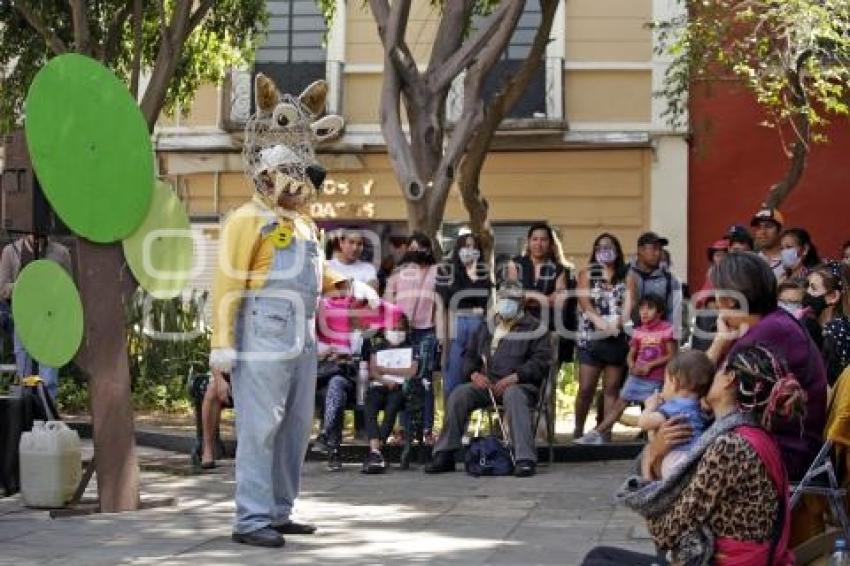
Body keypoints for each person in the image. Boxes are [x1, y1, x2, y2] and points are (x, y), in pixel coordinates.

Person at [208, 77, 378, 548]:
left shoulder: (302, 223)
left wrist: (347, 284)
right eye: (290, 178)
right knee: (261, 427)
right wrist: (221, 349)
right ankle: (251, 518)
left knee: (295, 425)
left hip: (301, 333)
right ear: (267, 177)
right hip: (261, 330)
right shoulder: (246, 219)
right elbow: (226, 285)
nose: (299, 186)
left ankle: (279, 511)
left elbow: (315, 272)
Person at [584, 344, 803, 566]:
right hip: (733, 558)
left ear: (728, 379)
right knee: (599, 555)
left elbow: (667, 532)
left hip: (725, 562)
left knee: (597, 562)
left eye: (717, 371)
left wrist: (651, 459)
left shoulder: (731, 446)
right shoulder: (752, 434)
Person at [707, 252, 826, 481]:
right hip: (770, 443)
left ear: (730, 299)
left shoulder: (768, 333)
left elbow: (706, 395)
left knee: (674, 441)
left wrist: (718, 344)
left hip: (783, 452)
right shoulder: (770, 323)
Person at [424, 282, 552, 478]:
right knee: (460, 394)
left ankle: (524, 459)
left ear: (522, 302)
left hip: (519, 385)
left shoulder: (536, 328)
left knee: (514, 395)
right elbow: (469, 357)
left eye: (513, 299)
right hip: (488, 384)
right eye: (503, 299)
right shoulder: (487, 326)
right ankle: (445, 454)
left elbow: (541, 362)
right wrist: (474, 375)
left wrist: (515, 377)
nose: (507, 303)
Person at [576, 294, 677, 445]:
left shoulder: (667, 329)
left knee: (656, 409)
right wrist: (631, 365)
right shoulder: (638, 331)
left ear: (660, 312)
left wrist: (651, 365)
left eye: (650, 308)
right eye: (642, 308)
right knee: (619, 404)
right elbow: (631, 354)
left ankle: (659, 441)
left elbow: (672, 355)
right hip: (637, 377)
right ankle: (597, 433)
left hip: (657, 378)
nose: (644, 312)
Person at [0, 233, 72, 400]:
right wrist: (26, 284)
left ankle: (47, 420)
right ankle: (26, 419)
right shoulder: (11, 251)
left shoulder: (61, 253)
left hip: (50, 320)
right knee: (25, 378)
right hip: (23, 320)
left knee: (48, 379)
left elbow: (69, 289)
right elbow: (3, 289)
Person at [384, 232, 440, 444]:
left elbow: (442, 304)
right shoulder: (398, 273)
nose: (417, 252)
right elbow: (388, 302)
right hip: (402, 332)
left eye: (421, 248)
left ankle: (426, 430)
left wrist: (441, 335)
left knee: (424, 379)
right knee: (404, 381)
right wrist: (389, 330)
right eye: (413, 248)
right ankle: (403, 429)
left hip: (427, 330)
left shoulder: (437, 272)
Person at [573, 233, 629, 441]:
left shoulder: (626, 275)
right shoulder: (587, 273)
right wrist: (600, 323)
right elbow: (584, 302)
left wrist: (618, 324)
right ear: (595, 251)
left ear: (617, 249)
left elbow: (630, 304)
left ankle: (605, 433)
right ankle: (578, 429)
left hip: (616, 337)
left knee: (612, 387)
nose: (605, 250)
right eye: (600, 247)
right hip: (590, 336)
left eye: (609, 246)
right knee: (586, 387)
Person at [637, 350, 713, 478]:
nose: (663, 387)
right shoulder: (697, 407)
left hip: (675, 460)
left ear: (674, 382)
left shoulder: (675, 407)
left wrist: (649, 407)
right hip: (694, 459)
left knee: (647, 453)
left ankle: (648, 489)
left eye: (665, 382)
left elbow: (644, 423)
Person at [436, 233, 492, 403]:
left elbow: (487, 304)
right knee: (452, 377)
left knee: (474, 376)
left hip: (478, 327)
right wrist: (441, 336)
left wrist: (474, 274)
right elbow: (441, 305)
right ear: (458, 249)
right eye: (465, 246)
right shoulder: (447, 271)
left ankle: (466, 423)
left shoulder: (484, 274)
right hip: (455, 325)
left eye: (473, 246)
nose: (470, 250)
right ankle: (450, 425)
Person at [362, 313, 419, 474]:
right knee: (370, 407)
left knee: (392, 407)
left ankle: (375, 452)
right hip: (380, 386)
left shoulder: (411, 347)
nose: (397, 332)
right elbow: (373, 372)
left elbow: (412, 371)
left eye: (401, 329)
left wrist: (386, 370)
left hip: (400, 389)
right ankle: (376, 451)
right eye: (394, 328)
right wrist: (386, 380)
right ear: (386, 329)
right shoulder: (378, 347)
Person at [626, 232, 683, 336]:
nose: (658, 253)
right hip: (625, 339)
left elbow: (674, 316)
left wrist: (673, 341)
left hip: (656, 341)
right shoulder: (624, 273)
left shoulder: (670, 280)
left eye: (660, 249)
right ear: (641, 250)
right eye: (654, 249)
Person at [805, 261, 850, 385]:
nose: (807, 292)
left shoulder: (835, 331)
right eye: (807, 286)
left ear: (833, 296)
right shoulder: (820, 324)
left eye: (813, 288)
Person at [750, 207, 785, 279]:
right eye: (759, 227)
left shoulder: (792, 261)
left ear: (780, 231)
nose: (763, 232)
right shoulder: (751, 261)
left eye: (768, 226)